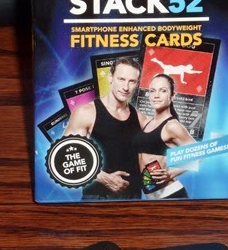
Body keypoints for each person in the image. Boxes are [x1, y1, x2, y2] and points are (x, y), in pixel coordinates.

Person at [63, 57, 144, 201]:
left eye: (132, 81)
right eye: (121, 79)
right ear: (110, 77)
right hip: (97, 197)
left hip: (133, 198)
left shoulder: (141, 118)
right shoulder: (86, 113)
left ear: (137, 84)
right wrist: (103, 178)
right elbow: (64, 156)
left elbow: (152, 158)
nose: (126, 87)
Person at [132, 73, 196, 199]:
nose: (156, 95)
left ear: (172, 95)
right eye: (152, 91)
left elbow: (200, 153)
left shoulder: (171, 126)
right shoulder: (147, 122)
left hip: (171, 194)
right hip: (151, 196)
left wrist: (171, 174)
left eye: (163, 91)